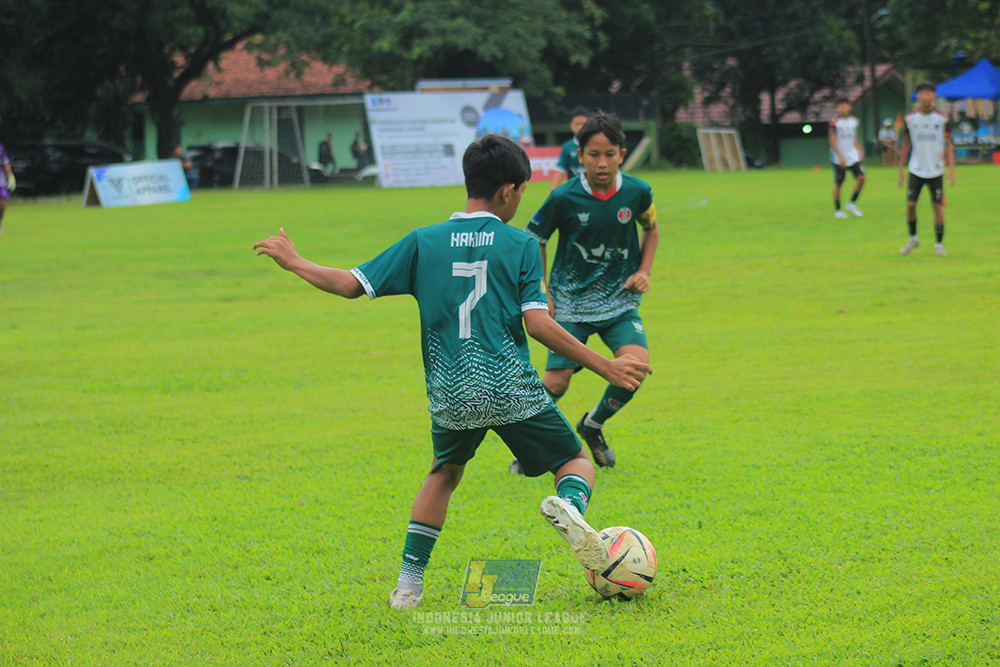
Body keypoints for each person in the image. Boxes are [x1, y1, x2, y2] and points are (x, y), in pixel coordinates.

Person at [252, 134, 651, 611]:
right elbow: (540, 324)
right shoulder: (520, 244)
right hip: (510, 388)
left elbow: (348, 286)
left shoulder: (424, 242)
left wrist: (295, 261)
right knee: (576, 463)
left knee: (443, 474)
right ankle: (570, 507)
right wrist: (605, 364)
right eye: (521, 191)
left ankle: (408, 585)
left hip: (452, 391)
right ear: (508, 190)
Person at [513, 112, 658, 473]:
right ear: (579, 156)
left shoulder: (638, 192)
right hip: (570, 304)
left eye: (609, 154)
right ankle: (529, 445)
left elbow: (651, 229)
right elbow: (536, 240)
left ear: (622, 154)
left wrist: (643, 271)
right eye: (593, 154)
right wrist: (542, 290)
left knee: (635, 369)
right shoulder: (564, 197)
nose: (602, 162)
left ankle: (592, 426)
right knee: (556, 383)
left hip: (619, 302)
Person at [897, 81, 956, 256]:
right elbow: (906, 144)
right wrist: (900, 169)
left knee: (937, 207)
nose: (925, 97)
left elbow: (948, 144)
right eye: (922, 93)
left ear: (934, 96)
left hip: (936, 170)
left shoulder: (942, 119)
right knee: (910, 205)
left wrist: (952, 169)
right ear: (918, 96)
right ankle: (913, 238)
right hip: (916, 169)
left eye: (929, 93)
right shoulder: (910, 119)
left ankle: (939, 245)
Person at [829, 98, 865, 218]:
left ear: (849, 107)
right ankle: (838, 210)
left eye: (845, 106)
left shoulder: (854, 122)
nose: (843, 109)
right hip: (839, 158)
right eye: (840, 106)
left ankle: (851, 203)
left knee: (861, 178)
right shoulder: (834, 123)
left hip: (852, 156)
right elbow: (832, 140)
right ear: (837, 109)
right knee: (839, 183)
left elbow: (854, 138)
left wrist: (859, 151)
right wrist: (840, 156)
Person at [549, 107, 590, 190]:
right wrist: (552, 193)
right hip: (574, 191)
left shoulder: (596, 145)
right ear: (571, 126)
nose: (580, 127)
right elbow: (560, 170)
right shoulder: (568, 147)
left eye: (583, 124)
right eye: (577, 124)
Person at [0, 143, 15, 235]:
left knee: (2, 204)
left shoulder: (0, 148)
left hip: (0, 181)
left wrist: (10, 176)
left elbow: (6, 163)